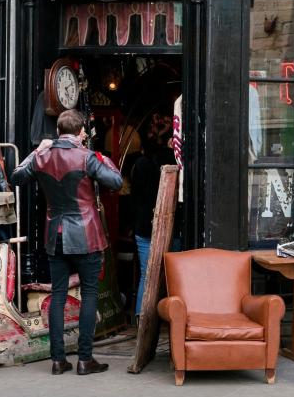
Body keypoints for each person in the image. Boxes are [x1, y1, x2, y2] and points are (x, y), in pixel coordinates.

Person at [12, 110, 123, 376]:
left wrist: (37, 151)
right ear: (81, 131)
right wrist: (102, 157)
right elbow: (116, 181)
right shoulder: (87, 157)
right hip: (86, 234)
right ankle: (85, 359)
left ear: (59, 131)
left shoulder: (42, 156)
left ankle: (58, 360)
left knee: (58, 295)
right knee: (90, 295)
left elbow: (16, 177)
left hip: (55, 233)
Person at [131, 114, 175, 318]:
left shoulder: (140, 164)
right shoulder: (176, 162)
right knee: (177, 276)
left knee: (147, 276)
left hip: (145, 226)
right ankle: (174, 319)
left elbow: (136, 197)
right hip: (174, 225)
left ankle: (143, 319)